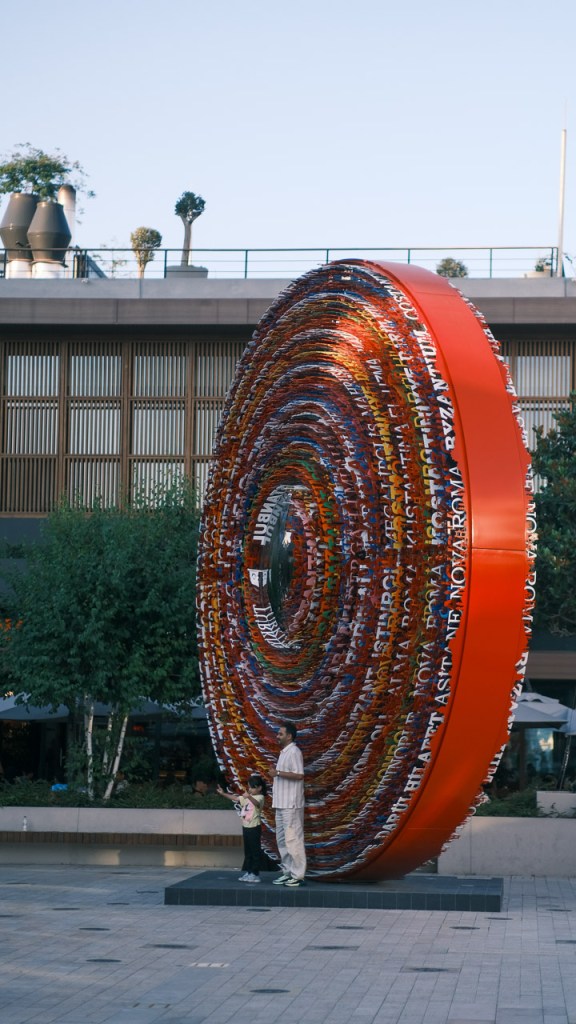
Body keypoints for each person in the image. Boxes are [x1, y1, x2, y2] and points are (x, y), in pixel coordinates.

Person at [271, 720, 306, 887]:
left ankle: (298, 875)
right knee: (282, 841)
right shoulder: (284, 752)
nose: (277, 736)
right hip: (280, 803)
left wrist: (277, 773)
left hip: (291, 805)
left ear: (289, 736)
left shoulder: (294, 752)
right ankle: (287, 871)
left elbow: (299, 775)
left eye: (280, 734)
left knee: (293, 840)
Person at [217, 774, 266, 883]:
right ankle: (249, 872)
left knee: (255, 851)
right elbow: (235, 798)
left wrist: (248, 796)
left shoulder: (260, 797)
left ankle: (255, 874)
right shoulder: (247, 797)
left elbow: (257, 803)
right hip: (246, 826)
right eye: (249, 787)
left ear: (259, 788)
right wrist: (223, 793)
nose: (250, 789)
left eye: (253, 787)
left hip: (254, 827)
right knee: (248, 852)